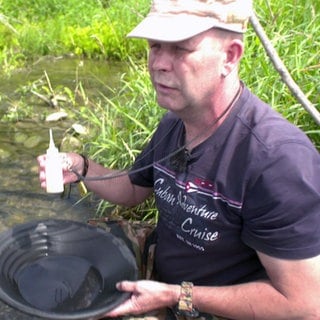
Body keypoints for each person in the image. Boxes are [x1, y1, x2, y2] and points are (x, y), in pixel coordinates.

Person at [38, 0, 320, 319]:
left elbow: (304, 305)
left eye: (180, 49)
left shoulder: (277, 160)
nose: (158, 63)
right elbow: (133, 190)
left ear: (230, 56)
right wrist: (80, 166)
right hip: (162, 279)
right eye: (155, 46)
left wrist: (175, 296)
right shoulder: (175, 122)